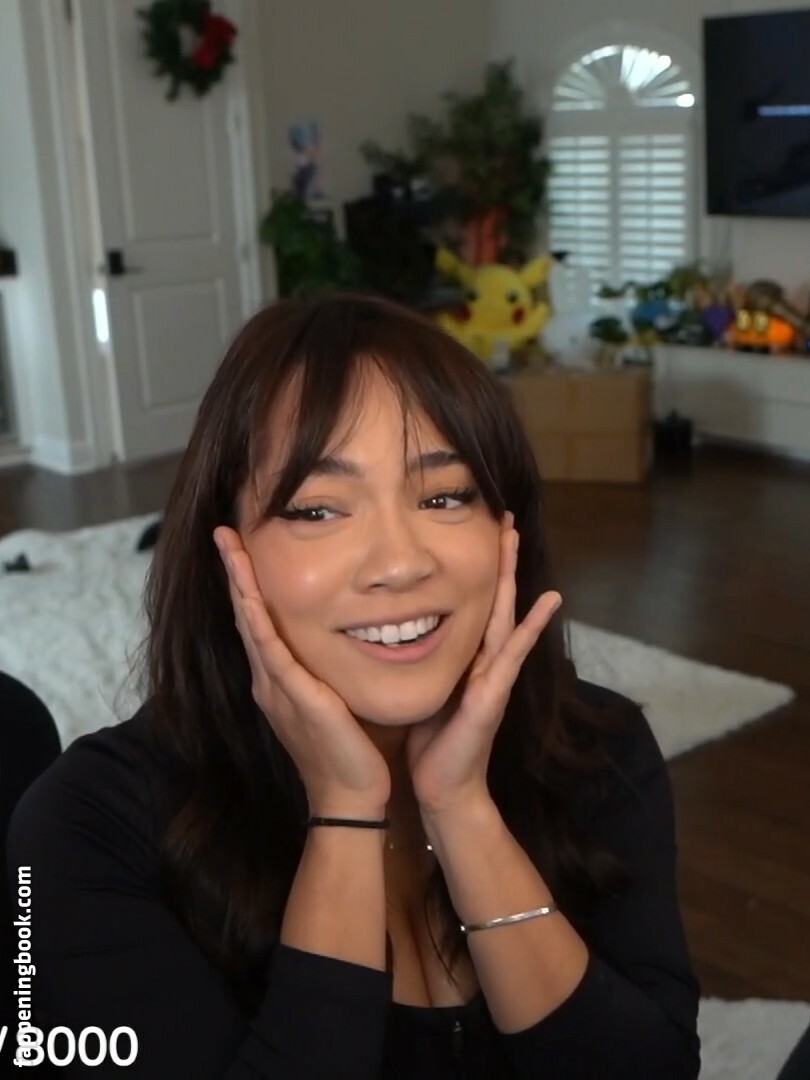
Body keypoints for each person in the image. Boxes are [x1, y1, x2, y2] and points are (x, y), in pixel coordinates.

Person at [6, 293, 700, 1078]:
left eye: (444, 496)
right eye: (316, 510)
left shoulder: (598, 748)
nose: (400, 563)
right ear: (223, 553)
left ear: (509, 529)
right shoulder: (85, 828)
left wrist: (461, 809)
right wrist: (343, 809)